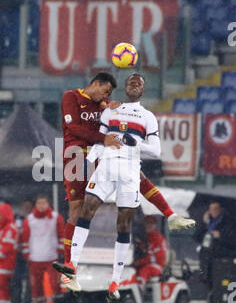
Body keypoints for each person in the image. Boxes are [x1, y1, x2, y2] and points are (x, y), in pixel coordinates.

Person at [60, 72, 195, 285]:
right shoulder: (72, 97)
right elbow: (74, 128)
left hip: (106, 154)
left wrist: (128, 141)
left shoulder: (113, 107)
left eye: (110, 93)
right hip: (77, 155)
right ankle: (69, 267)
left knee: (137, 185)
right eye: (106, 91)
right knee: (77, 211)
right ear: (97, 84)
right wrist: (104, 140)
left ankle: (170, 216)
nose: (107, 96)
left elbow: (152, 148)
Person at [22, 195, 65, 303]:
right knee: (36, 288)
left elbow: (61, 234)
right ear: (35, 205)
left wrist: (61, 250)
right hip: (35, 258)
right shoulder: (29, 220)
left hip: (51, 257)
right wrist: (26, 253)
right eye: (39, 203)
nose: (41, 206)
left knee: (55, 285)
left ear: (48, 204)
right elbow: (25, 237)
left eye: (44, 203)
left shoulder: (56, 218)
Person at [193, 201, 236, 303]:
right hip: (208, 264)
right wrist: (204, 223)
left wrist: (220, 236)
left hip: (223, 264)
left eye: (216, 209)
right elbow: (196, 237)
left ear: (221, 210)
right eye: (211, 209)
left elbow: (232, 241)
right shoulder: (208, 224)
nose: (213, 212)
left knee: (223, 294)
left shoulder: (228, 223)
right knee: (210, 293)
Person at [133, 215, 169, 292]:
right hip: (143, 264)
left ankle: (139, 291)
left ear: (155, 225)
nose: (149, 225)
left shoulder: (158, 239)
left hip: (156, 266)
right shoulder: (142, 237)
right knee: (131, 270)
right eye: (147, 223)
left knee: (144, 271)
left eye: (151, 223)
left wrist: (140, 262)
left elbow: (159, 257)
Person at [11, 199, 34, 303]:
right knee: (16, 279)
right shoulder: (15, 219)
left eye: (28, 207)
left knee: (30, 280)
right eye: (25, 206)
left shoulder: (34, 220)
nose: (26, 209)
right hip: (17, 253)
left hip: (31, 252)